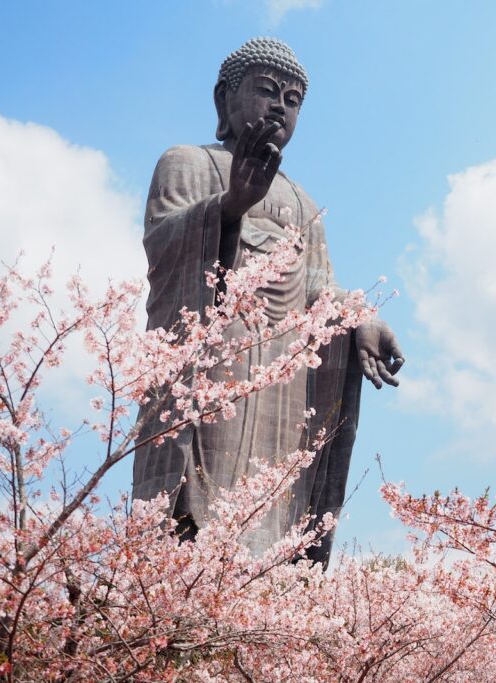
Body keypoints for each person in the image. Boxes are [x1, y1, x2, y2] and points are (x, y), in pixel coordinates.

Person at [132, 37, 403, 564]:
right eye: (266, 90)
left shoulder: (303, 203)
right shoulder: (187, 163)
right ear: (223, 100)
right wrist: (231, 204)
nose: (280, 106)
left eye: (293, 99)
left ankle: (272, 576)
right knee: (199, 496)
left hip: (283, 377)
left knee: (276, 500)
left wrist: (358, 316)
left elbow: (319, 291)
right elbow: (164, 245)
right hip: (214, 367)